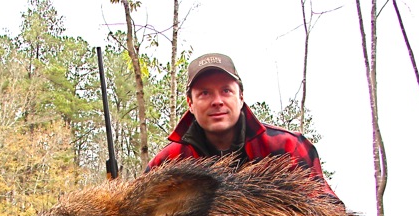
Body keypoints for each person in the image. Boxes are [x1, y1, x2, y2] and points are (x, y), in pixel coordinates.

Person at [146, 53, 341, 202]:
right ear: (190, 103)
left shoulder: (288, 147)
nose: (217, 101)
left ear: (240, 97)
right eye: (205, 93)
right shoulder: (167, 163)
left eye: (226, 91)